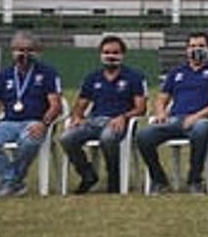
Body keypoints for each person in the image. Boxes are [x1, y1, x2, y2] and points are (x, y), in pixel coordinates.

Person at [137, 32, 208, 194]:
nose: (196, 49)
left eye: (201, 46)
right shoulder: (176, 73)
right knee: (144, 135)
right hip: (175, 119)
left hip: (201, 120)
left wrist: (197, 116)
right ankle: (159, 180)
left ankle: (194, 179)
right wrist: (160, 113)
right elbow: (161, 99)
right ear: (186, 50)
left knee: (201, 129)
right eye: (192, 46)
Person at [58, 35, 147, 194]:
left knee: (107, 137)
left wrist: (124, 117)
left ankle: (114, 178)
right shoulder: (92, 78)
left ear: (122, 55)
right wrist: (77, 116)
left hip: (120, 122)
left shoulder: (135, 77)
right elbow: (81, 104)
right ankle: (87, 174)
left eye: (115, 52)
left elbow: (141, 108)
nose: (111, 56)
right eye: (106, 52)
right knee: (66, 138)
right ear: (100, 55)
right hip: (94, 121)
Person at [0, 32, 62, 198]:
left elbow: (56, 105)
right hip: (9, 122)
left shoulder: (48, 73)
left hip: (34, 121)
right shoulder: (4, 75)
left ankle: (11, 182)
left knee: (29, 141)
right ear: (12, 51)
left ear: (37, 52)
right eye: (19, 50)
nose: (23, 54)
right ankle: (13, 180)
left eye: (28, 50)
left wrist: (44, 124)